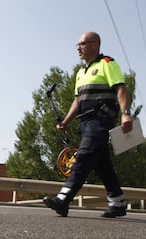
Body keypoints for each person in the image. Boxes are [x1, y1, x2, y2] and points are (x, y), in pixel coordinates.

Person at [43, 32, 133, 218]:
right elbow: (77, 101)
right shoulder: (81, 72)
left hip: (100, 120)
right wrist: (65, 122)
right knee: (102, 165)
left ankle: (63, 199)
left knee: (83, 157)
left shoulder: (107, 64)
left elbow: (121, 88)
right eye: (78, 44)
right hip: (85, 122)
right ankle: (117, 203)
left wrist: (125, 114)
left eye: (82, 44)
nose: (78, 48)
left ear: (95, 44)